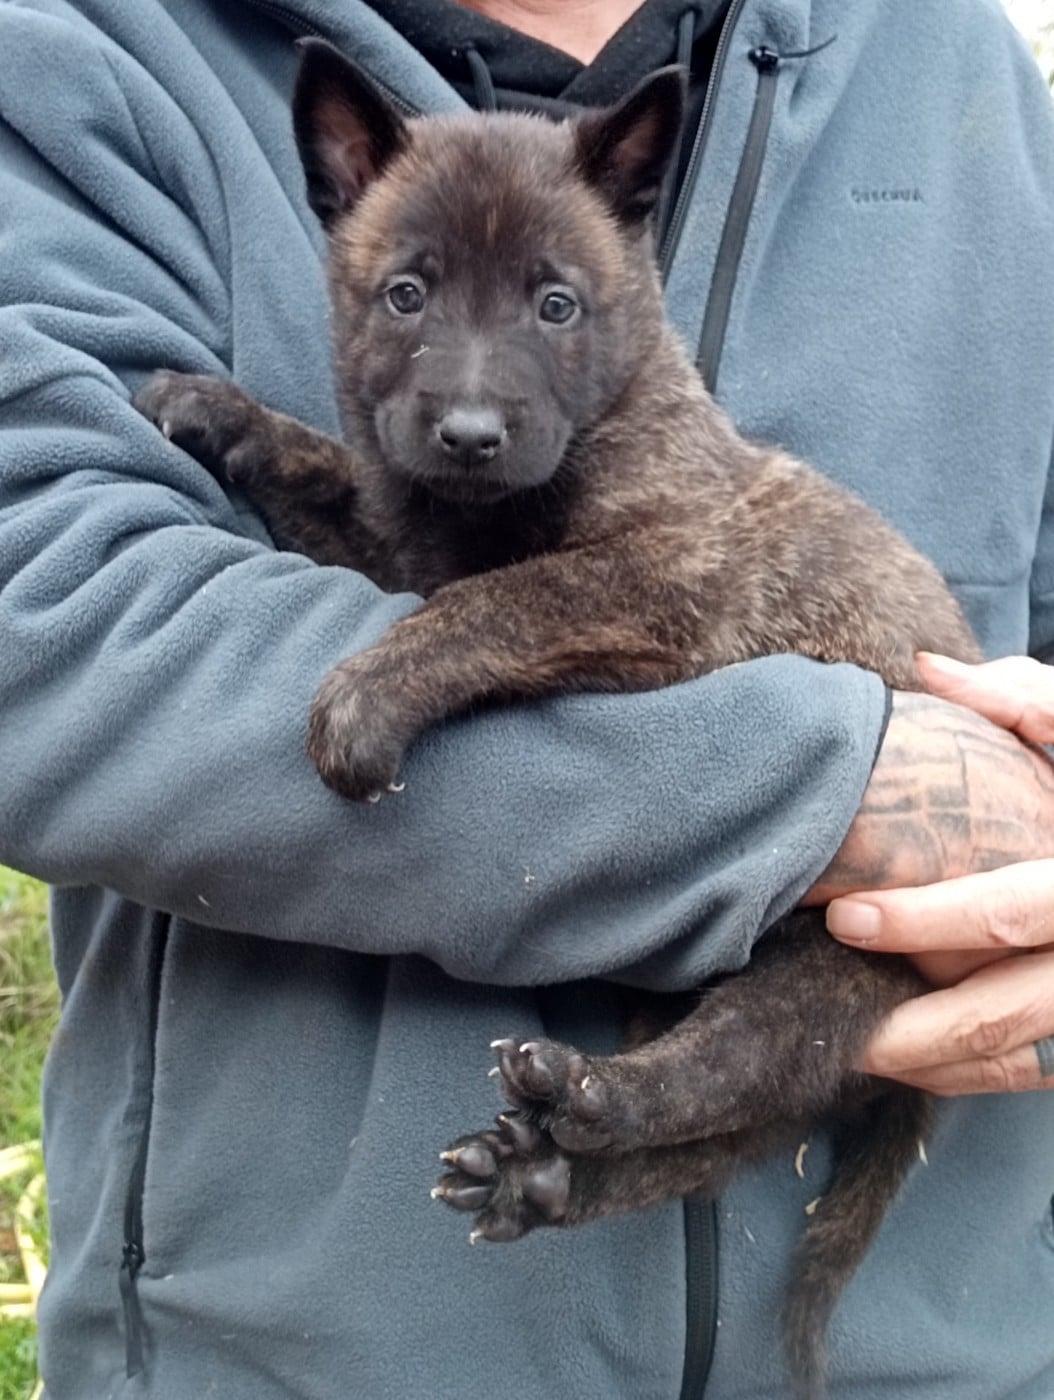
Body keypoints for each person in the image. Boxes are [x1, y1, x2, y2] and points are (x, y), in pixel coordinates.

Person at [0, 0, 1052, 1396]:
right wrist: (828, 790)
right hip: (333, 1354)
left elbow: (631, 592)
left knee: (797, 1014)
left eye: (551, 306)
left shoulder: (959, 66)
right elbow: (47, 626)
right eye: (411, 296)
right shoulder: (85, 47)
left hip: (942, 1357)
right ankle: (607, 1130)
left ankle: (614, 1124)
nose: (474, 398)